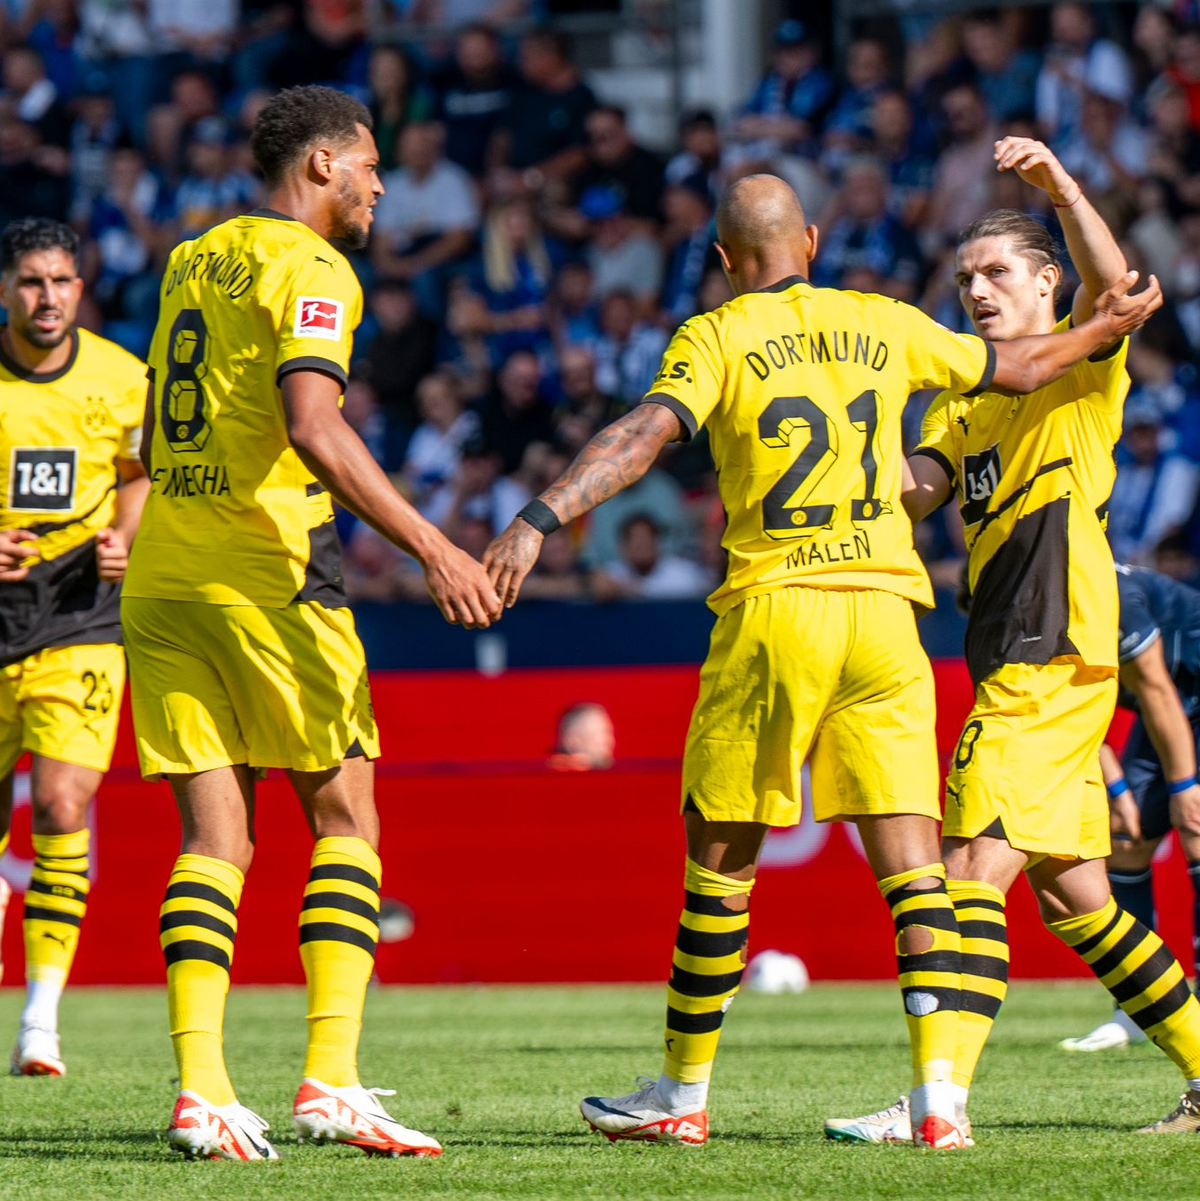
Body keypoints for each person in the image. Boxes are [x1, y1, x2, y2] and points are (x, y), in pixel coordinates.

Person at [482, 172, 1160, 1149]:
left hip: (777, 608)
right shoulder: (883, 322)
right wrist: (1101, 330)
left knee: (721, 864)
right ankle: (937, 1103)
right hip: (888, 616)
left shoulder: (714, 336)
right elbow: (1013, 368)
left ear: (722, 259)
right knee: (918, 875)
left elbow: (641, 437)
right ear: (810, 236)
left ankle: (680, 1092)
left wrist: (539, 517)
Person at [121, 85, 501, 1161]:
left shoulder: (194, 257)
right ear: (323, 165)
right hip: (268, 572)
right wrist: (437, 547)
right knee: (345, 817)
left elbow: (157, 421)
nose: (382, 181)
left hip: (166, 576)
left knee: (214, 840)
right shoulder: (314, 265)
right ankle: (329, 1079)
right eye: (370, 162)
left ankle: (202, 1091)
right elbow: (314, 423)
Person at [827, 137, 1200, 1146]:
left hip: (1053, 644)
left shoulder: (1083, 368)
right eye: (964, 280)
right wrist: (841, 462)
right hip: (1016, 647)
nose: (977, 291)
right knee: (1079, 899)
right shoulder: (963, 396)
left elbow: (1120, 284)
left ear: (1046, 283)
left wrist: (1063, 190)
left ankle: (936, 1104)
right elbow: (923, 487)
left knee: (964, 870)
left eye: (996, 273)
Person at [0, 217, 148, 1076]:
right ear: (6, 288)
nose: (45, 297)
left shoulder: (124, 379)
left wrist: (126, 538)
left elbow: (137, 479)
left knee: (61, 804)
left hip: (80, 617)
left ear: (81, 289)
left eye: (59, 280)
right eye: (28, 281)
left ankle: (42, 1018)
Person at [1059, 563, 1200, 1053]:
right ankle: (1140, 1008)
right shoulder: (1030, 596)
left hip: (1179, 698)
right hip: (1165, 707)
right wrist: (1117, 791)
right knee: (1126, 844)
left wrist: (1184, 786)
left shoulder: (1101, 589)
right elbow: (1066, 703)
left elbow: (1159, 689)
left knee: (1197, 832)